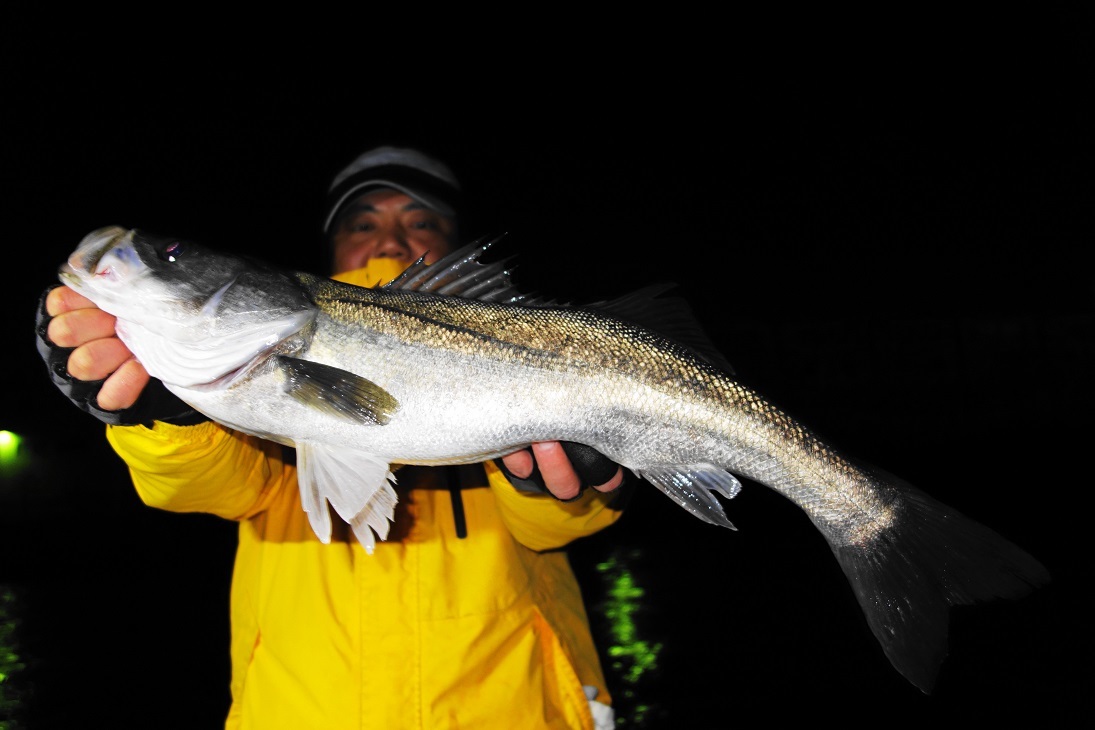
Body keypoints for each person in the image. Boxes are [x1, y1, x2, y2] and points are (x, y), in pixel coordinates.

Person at [36, 145, 629, 730]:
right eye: (363, 222)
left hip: (517, 707)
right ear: (330, 246)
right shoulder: (265, 349)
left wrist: (562, 488)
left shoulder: (518, 341)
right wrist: (168, 416)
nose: (391, 241)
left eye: (420, 221)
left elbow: (554, 527)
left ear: (456, 246)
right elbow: (219, 489)